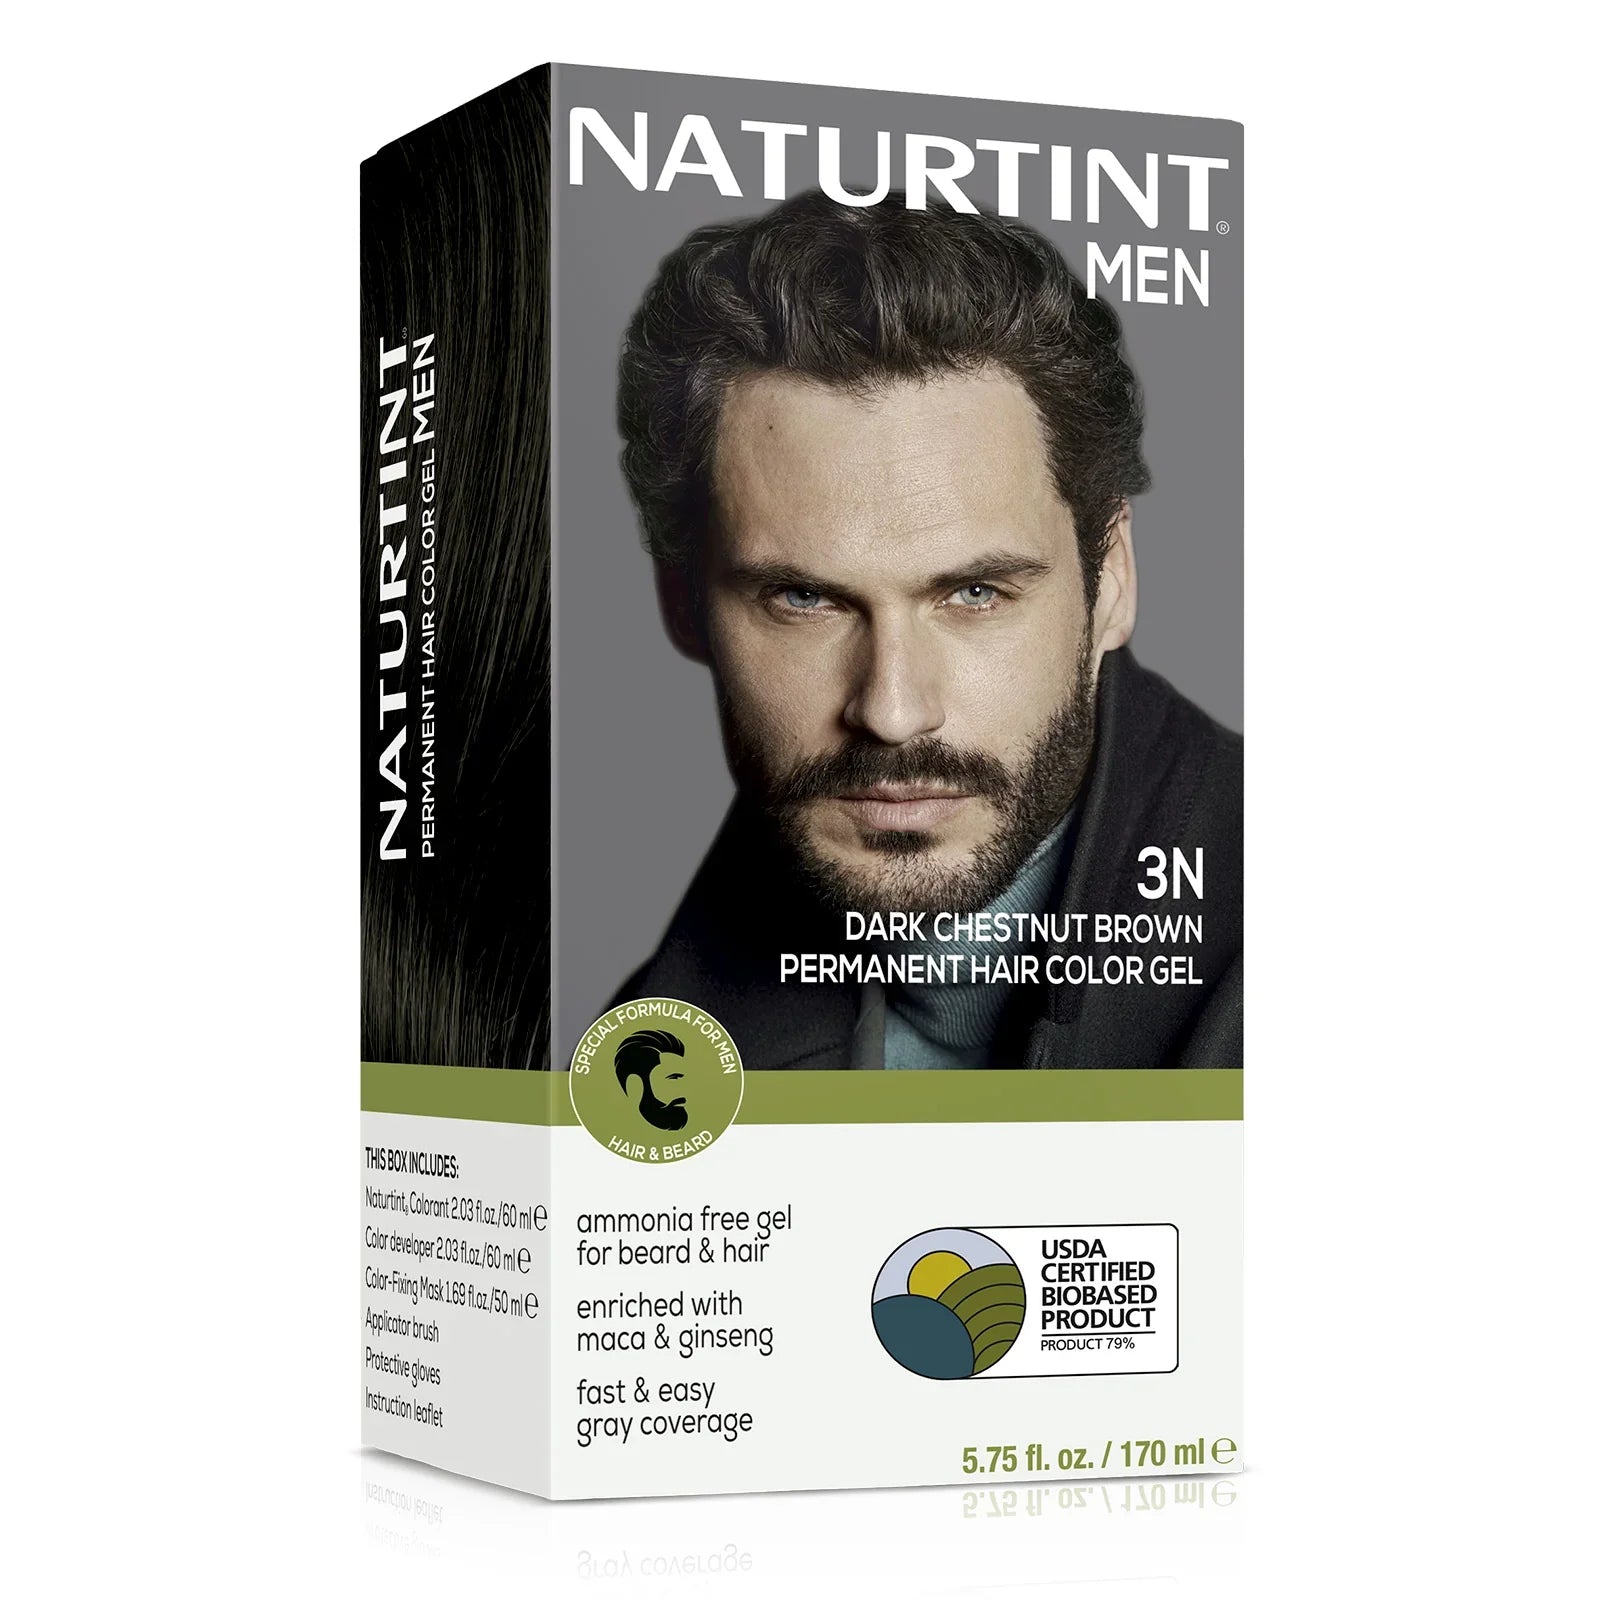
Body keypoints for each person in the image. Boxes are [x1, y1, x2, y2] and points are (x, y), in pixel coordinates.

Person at [611, 190, 1240, 1070]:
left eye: (976, 593)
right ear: (680, 603)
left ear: (1112, 584)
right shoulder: (653, 1045)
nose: (893, 711)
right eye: (804, 599)